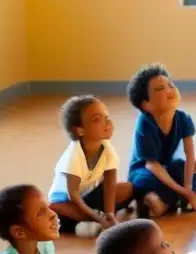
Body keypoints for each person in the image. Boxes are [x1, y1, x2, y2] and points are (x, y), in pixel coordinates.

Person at [126, 63, 196, 217]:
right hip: (147, 172)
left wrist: (188, 187)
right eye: (160, 89)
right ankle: (189, 200)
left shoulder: (183, 118)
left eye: (170, 85)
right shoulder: (145, 124)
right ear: (146, 104)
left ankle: (169, 202)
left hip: (169, 170)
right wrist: (183, 190)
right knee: (144, 182)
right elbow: (152, 165)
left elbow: (189, 155)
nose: (170, 90)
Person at [48, 95, 134, 239]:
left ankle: (89, 220)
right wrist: (97, 217)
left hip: (89, 195)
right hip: (67, 201)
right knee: (54, 210)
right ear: (80, 130)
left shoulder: (107, 148)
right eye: (97, 119)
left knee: (128, 188)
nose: (107, 122)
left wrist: (110, 215)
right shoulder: (74, 155)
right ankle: (87, 220)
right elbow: (73, 196)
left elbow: (109, 184)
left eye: (107, 117)